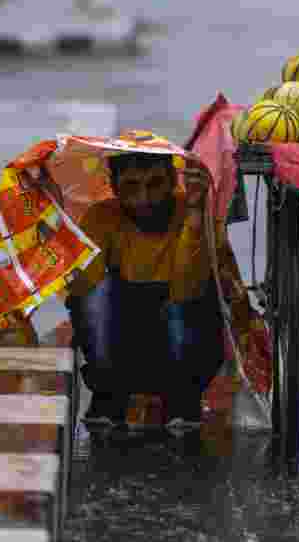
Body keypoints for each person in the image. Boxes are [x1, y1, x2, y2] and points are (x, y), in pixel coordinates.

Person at [64, 151, 227, 433]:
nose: (144, 199)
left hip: (184, 348)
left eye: (154, 185)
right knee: (92, 294)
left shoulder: (193, 212)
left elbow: (190, 290)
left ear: (173, 181)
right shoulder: (101, 217)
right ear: (114, 188)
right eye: (131, 188)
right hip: (123, 349)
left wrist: (194, 218)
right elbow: (83, 295)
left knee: (188, 302)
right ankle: (108, 394)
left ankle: (182, 400)